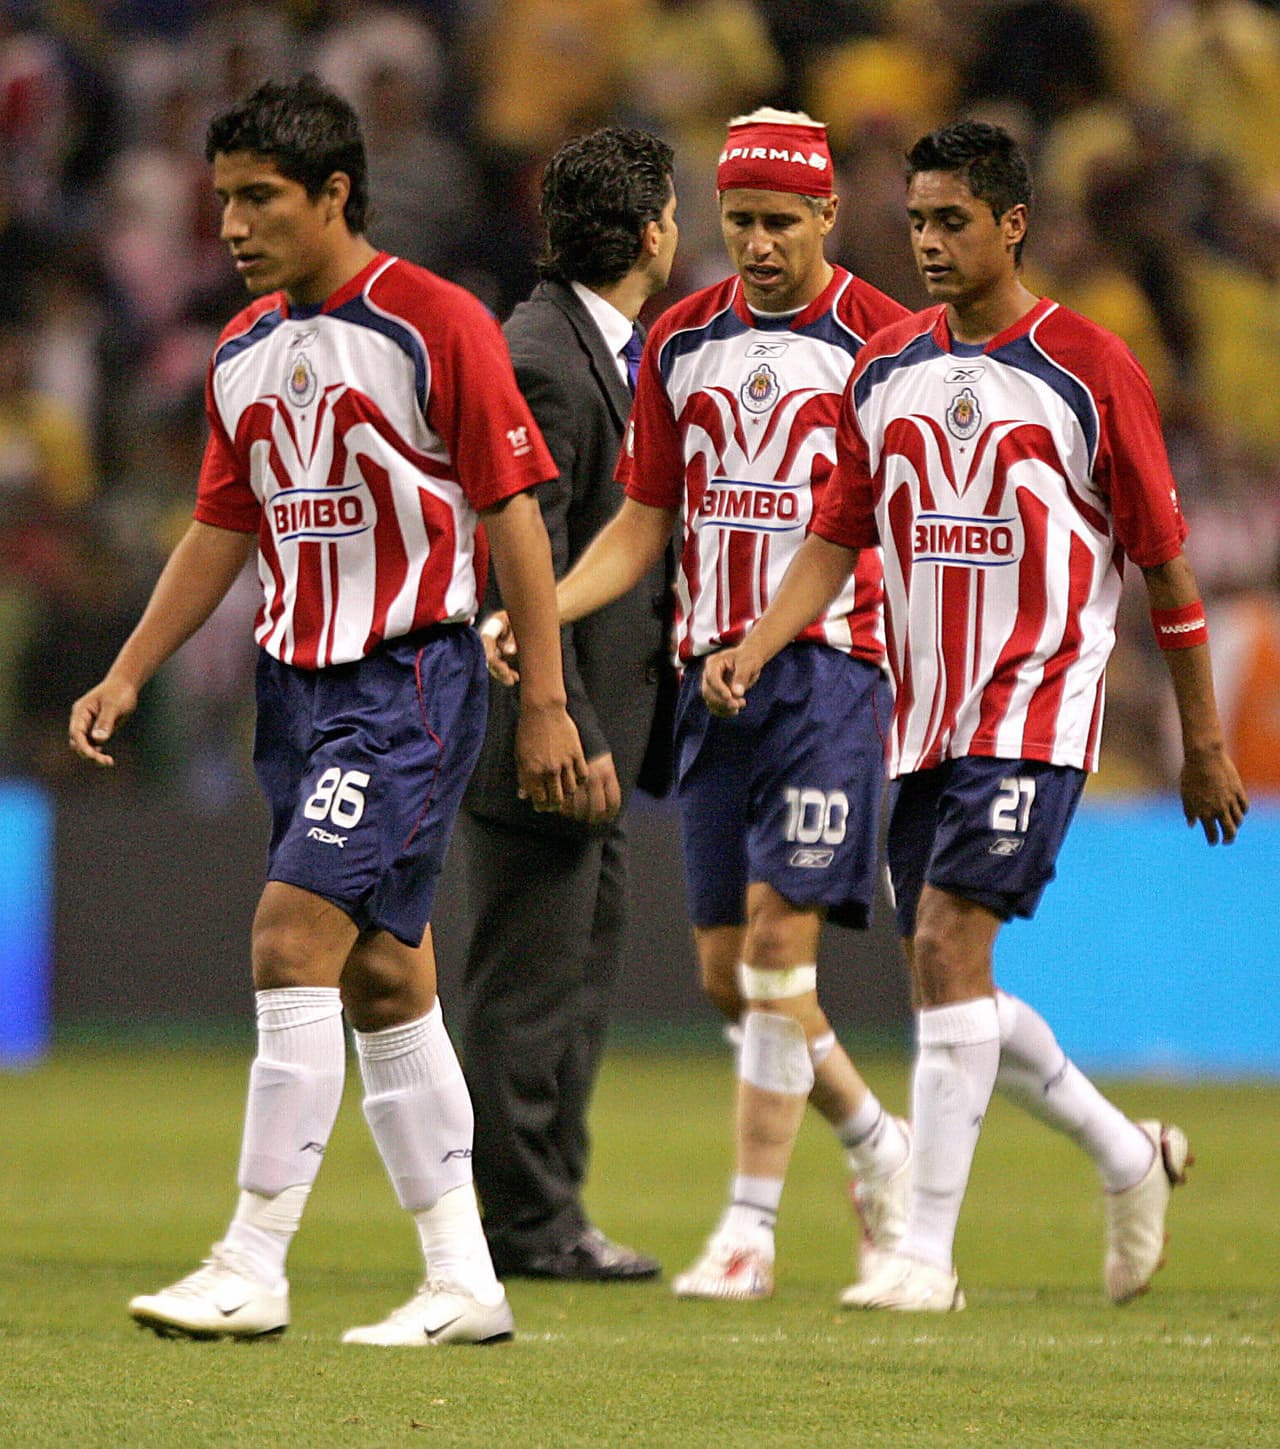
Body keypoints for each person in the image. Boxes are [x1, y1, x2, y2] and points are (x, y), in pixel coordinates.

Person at [68, 74, 587, 1345]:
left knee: (289, 936)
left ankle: (252, 1260)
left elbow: (510, 507)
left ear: (334, 194)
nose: (233, 226)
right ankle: (463, 1280)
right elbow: (220, 529)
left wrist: (547, 704)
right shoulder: (243, 351)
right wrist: (131, 668)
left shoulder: (432, 322)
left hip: (404, 676)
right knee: (381, 977)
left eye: (259, 200)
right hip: (295, 694)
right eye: (222, 200)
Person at [703, 118, 1249, 1311]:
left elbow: (1162, 565)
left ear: (1012, 226)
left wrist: (1198, 741)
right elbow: (834, 538)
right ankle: (1124, 1155)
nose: (931, 242)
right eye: (916, 221)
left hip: (1037, 705)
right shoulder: (884, 369)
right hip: (920, 719)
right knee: (950, 986)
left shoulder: (1088, 365)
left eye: (953, 221)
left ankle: (921, 1255)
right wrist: (753, 642)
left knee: (950, 946)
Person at [497, 107, 917, 1303]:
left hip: (829, 671)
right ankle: (875, 1141)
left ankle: (747, 1229)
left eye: (781, 222)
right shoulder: (677, 344)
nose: (758, 244)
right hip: (707, 683)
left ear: (827, 215)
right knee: (729, 976)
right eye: (737, 220)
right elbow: (640, 528)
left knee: (781, 948)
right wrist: (540, 617)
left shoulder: (886, 345)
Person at [456, 126, 677, 1282]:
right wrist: (568, 724)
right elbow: (522, 557)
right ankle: (524, 1228)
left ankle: (550, 1214)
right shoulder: (542, 357)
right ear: (651, 233)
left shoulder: (595, 349)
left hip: (592, 727)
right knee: (524, 995)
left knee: (566, 989)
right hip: (542, 733)